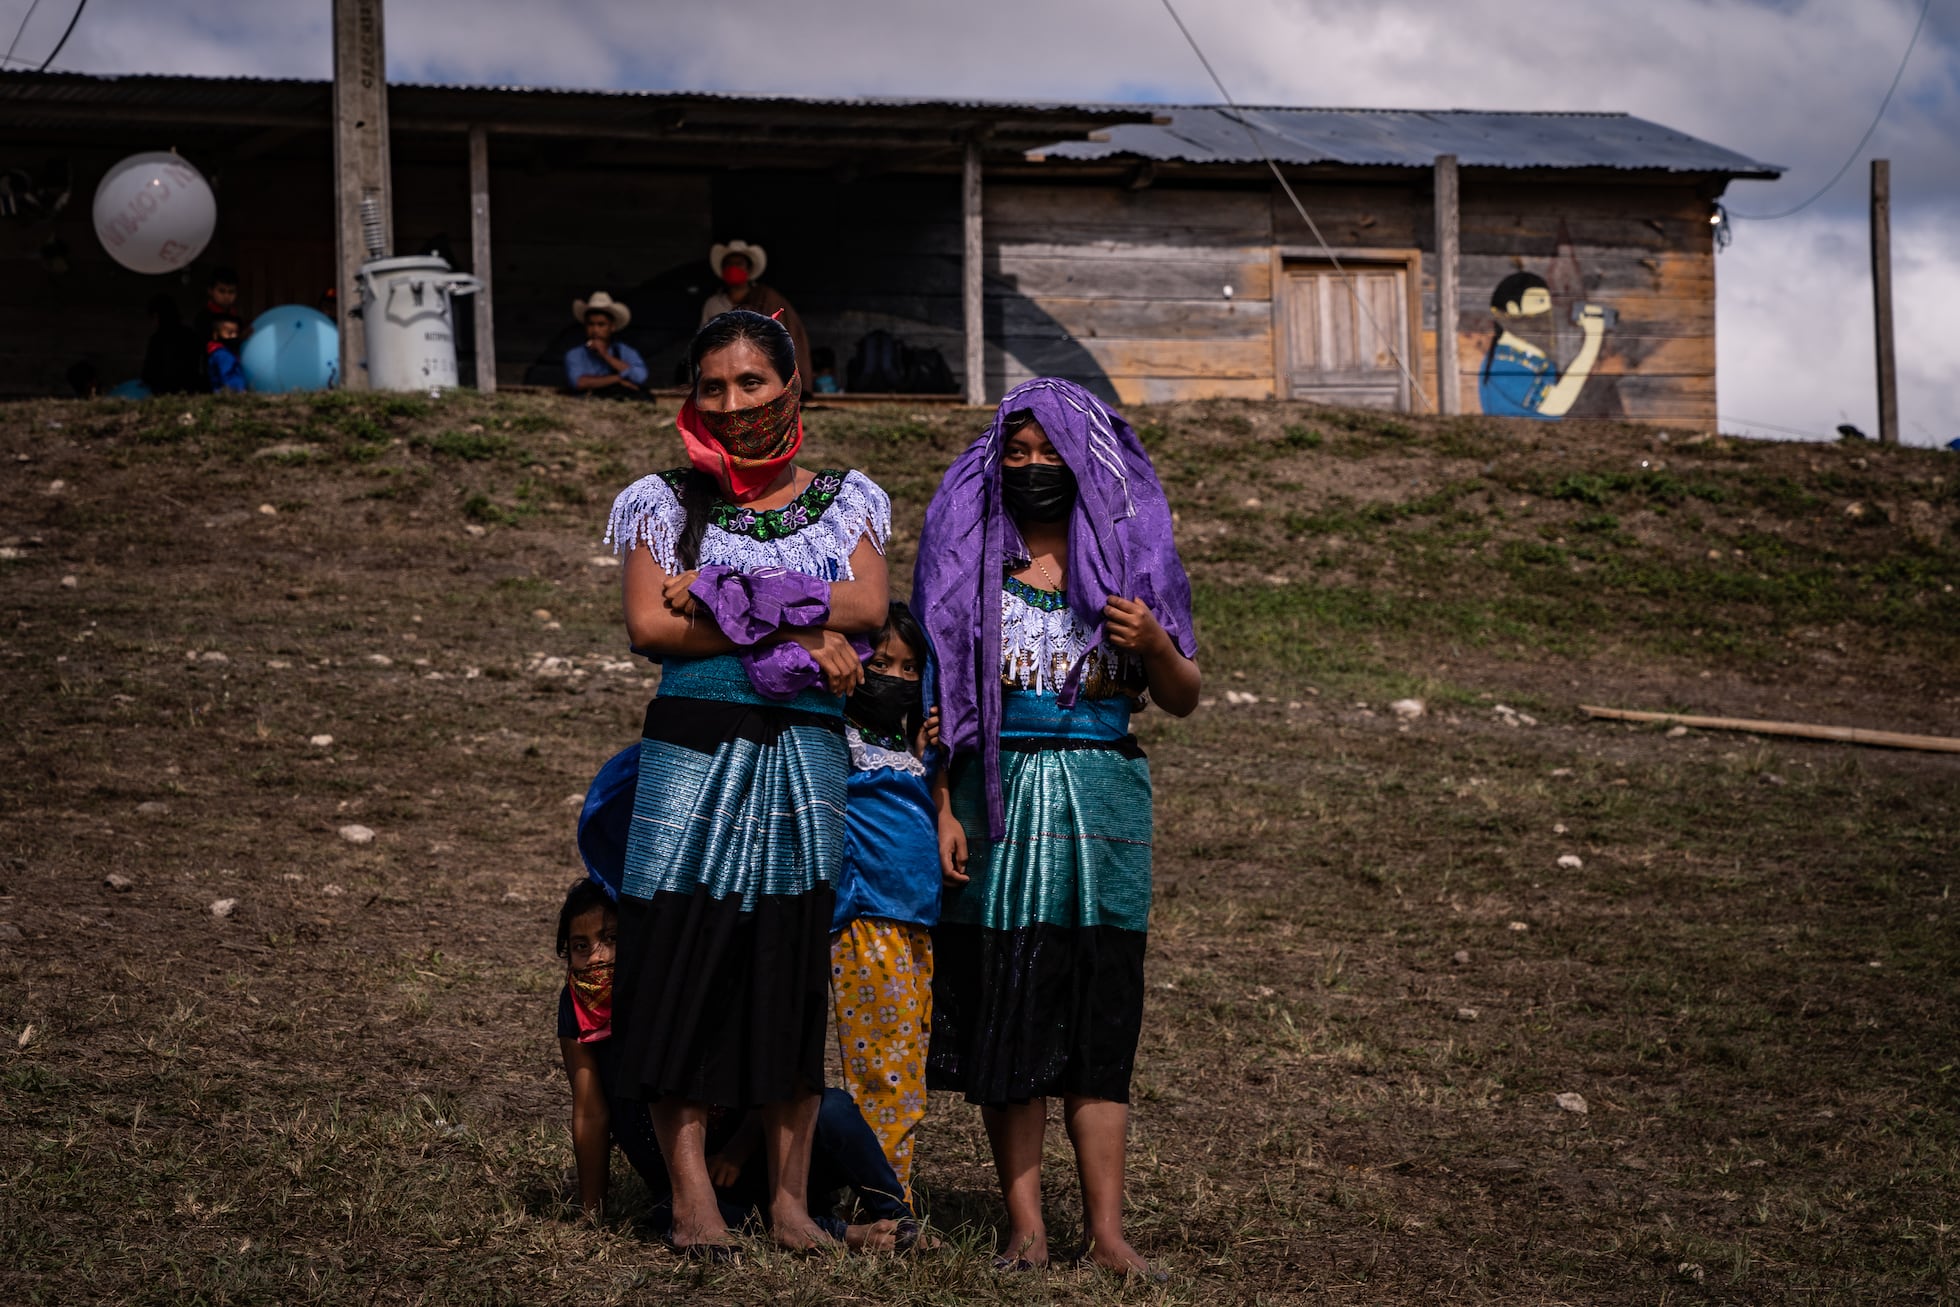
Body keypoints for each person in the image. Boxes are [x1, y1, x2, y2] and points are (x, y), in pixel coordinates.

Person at [604, 307, 891, 1255]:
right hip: (694, 749)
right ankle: (690, 1192)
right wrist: (800, 631)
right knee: (683, 948)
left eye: (753, 383)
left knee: (788, 957)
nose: (734, 404)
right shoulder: (664, 501)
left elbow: (868, 604)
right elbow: (651, 627)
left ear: (792, 386)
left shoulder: (845, 499)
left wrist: (738, 596)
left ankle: (791, 1200)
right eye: (714, 387)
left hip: (805, 755)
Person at [913, 377, 1201, 1278]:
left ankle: (1108, 1232)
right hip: (998, 807)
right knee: (1011, 997)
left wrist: (1153, 641)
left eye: (1052, 454)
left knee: (1099, 1008)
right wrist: (943, 810)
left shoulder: (1128, 566)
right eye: (1018, 453)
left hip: (1106, 810)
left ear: (1086, 463)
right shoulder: (972, 568)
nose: (1035, 468)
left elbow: (1185, 696)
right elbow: (936, 709)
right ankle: (1026, 1227)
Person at [553, 878, 911, 1249]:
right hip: (686, 1182)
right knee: (669, 1214)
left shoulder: (678, 986)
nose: (598, 956)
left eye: (613, 939)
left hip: (758, 1155)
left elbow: (768, 1075)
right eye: (582, 946)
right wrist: (591, 1215)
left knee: (834, 1109)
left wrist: (737, 1151)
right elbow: (591, 1114)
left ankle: (900, 1220)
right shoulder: (577, 1006)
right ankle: (842, 1233)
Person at [831, 600, 941, 1202]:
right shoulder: (838, 740)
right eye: (883, 665)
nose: (897, 679)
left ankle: (882, 1189)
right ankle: (882, 1199)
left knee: (904, 1070)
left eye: (910, 669)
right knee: (881, 1070)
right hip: (867, 917)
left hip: (914, 923)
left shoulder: (900, 748)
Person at [1477, 271, 1607, 420]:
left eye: (1547, 302)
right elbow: (1557, 404)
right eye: (1539, 301)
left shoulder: (1529, 356)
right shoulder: (1504, 365)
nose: (1547, 310)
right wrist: (1593, 339)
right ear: (1513, 308)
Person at [699, 241, 811, 396]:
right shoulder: (713, 304)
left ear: (749, 269)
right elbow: (702, 342)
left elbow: (781, 340)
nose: (733, 268)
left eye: (739, 263)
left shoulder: (768, 299)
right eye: (729, 264)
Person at [564, 292, 650, 399]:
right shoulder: (574, 354)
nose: (595, 330)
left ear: (612, 327)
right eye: (591, 324)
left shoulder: (625, 351)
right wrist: (618, 379)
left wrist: (605, 355)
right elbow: (578, 383)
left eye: (601, 325)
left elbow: (640, 376)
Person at [141, 295, 204, 396]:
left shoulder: (157, 339)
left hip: (165, 394)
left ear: (157, 316)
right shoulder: (190, 334)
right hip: (191, 391)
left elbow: (148, 373)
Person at [190, 265, 241, 379]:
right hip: (211, 375)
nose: (227, 296)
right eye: (222, 291)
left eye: (231, 292)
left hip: (233, 372)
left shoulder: (235, 316)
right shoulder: (204, 316)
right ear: (210, 291)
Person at [206, 314, 247, 394]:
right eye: (230, 333)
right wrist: (238, 390)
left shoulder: (223, 352)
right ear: (216, 335)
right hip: (228, 394)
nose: (234, 336)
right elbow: (228, 374)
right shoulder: (223, 355)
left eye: (236, 332)